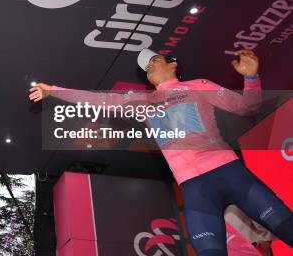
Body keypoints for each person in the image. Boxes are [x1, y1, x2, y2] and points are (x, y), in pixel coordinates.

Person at [29, 49, 292, 255]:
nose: (149, 66)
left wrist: (251, 78)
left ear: (173, 64)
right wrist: (54, 91)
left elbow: (247, 108)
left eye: (154, 60)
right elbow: (101, 100)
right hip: (195, 189)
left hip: (229, 172)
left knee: (286, 226)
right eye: (146, 67)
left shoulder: (198, 85)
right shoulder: (144, 103)